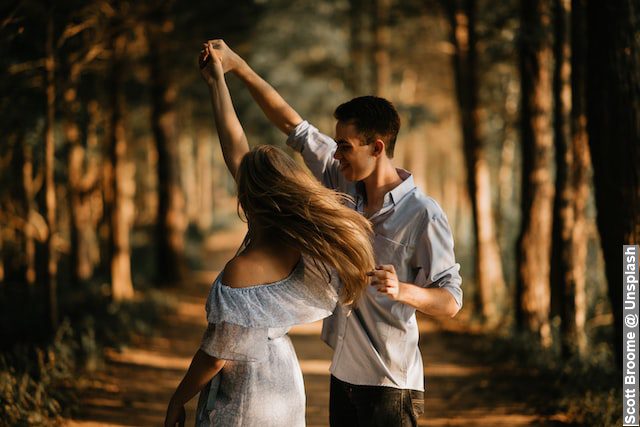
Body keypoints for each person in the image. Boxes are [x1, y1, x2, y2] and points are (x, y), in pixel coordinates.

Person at [206, 39, 464, 426]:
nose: (335, 154)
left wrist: (403, 290)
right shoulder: (341, 182)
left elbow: (452, 300)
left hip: (390, 382)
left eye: (344, 146)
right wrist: (237, 68)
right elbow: (291, 124)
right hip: (342, 373)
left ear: (376, 147)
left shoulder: (423, 214)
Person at [164, 43, 375, 427]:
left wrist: (178, 399)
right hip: (284, 383)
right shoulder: (306, 249)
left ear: (248, 195)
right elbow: (236, 148)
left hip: (247, 396)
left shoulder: (241, 271)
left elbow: (217, 355)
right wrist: (217, 83)